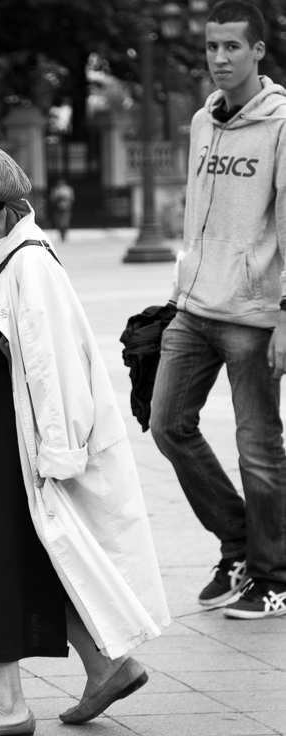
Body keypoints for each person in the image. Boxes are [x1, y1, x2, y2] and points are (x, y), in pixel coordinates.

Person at [0, 136, 170, 736]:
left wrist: (59, 458)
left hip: (20, 448)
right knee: (31, 557)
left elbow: (57, 371)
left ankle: (6, 703)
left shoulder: (29, 265)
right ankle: (108, 665)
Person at [150, 1, 286, 620]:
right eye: (212, 48)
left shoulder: (281, 123)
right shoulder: (204, 122)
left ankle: (274, 575)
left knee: (259, 447)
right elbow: (196, 217)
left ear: (258, 50)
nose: (220, 59)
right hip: (195, 307)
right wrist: (179, 292)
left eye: (233, 46)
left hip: (255, 314)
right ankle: (238, 543)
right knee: (166, 423)